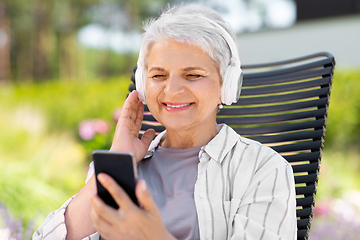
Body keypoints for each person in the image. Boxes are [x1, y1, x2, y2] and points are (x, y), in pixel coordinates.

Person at [33, 4, 297, 240]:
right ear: (142, 85)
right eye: (158, 75)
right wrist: (116, 162)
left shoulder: (263, 170)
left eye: (192, 75)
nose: (172, 90)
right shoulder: (124, 164)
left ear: (226, 86)